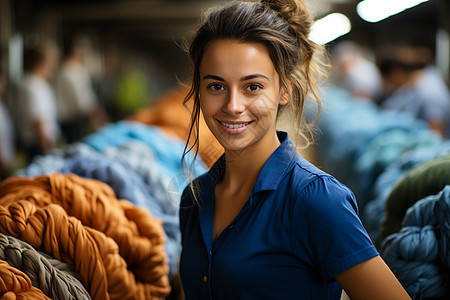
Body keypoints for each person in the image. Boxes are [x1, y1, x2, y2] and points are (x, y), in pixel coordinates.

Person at [178, 0, 411, 299]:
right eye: (216, 86)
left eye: (253, 87)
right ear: (199, 90)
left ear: (284, 90)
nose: (233, 106)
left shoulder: (316, 200)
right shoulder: (194, 198)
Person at [376, 44, 450, 138]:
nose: (390, 87)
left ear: (395, 73)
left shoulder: (429, 93)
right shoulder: (417, 84)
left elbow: (436, 136)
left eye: (389, 82)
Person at [54, 35, 108, 143]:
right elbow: (82, 101)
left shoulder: (72, 70)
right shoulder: (70, 72)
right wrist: (97, 115)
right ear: (76, 50)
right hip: (71, 120)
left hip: (73, 119)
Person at [15, 41, 60, 162]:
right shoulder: (31, 85)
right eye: (51, 61)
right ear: (41, 62)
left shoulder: (40, 84)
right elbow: (37, 121)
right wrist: (47, 151)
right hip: (38, 146)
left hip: (43, 143)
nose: (54, 66)